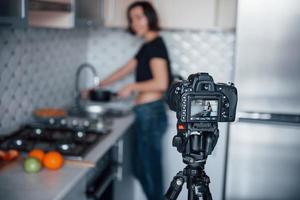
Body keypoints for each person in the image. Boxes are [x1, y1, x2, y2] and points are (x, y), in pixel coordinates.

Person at [99, 2, 172, 199]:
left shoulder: (155, 45)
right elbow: (125, 69)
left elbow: (161, 83)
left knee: (150, 172)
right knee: (141, 169)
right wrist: (99, 85)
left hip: (151, 114)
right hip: (145, 113)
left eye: (139, 17)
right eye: (132, 19)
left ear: (150, 17)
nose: (134, 23)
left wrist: (131, 87)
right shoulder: (147, 46)